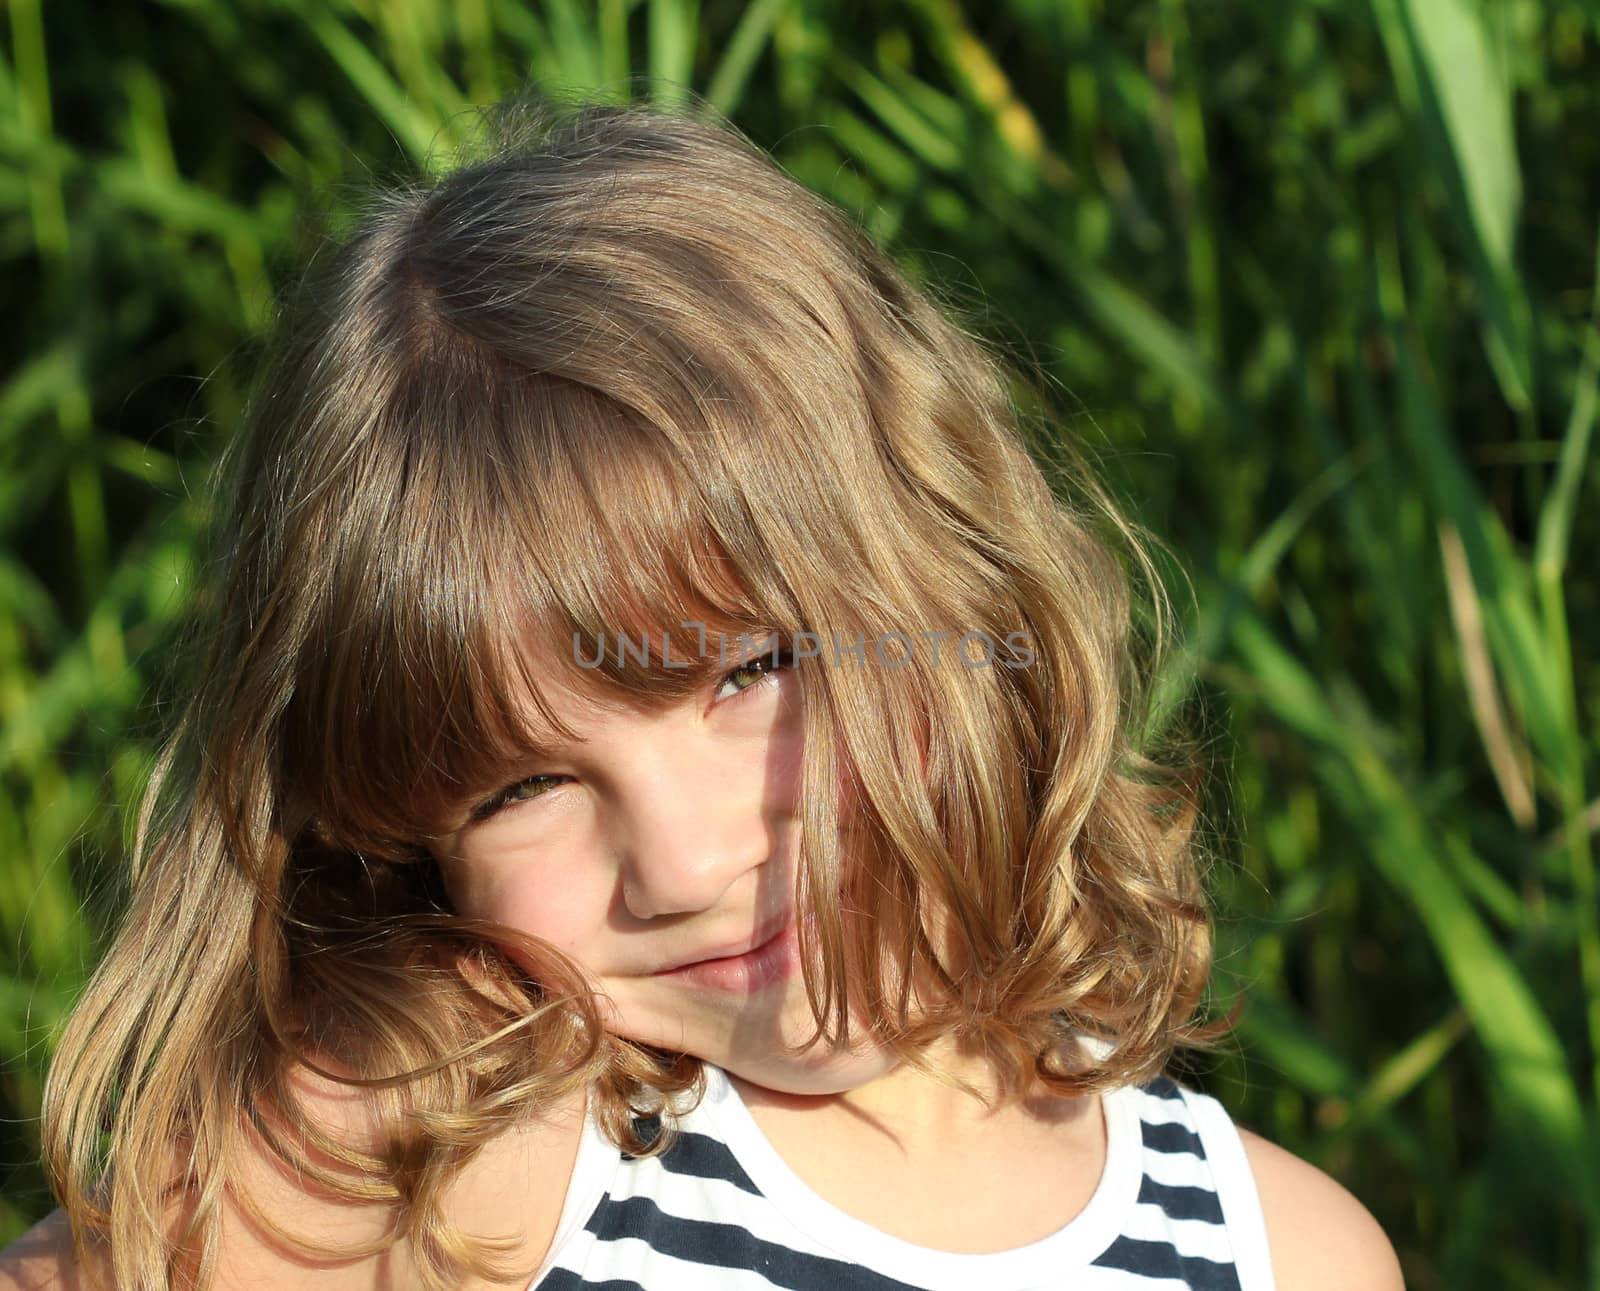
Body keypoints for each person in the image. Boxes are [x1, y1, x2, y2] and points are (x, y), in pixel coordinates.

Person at [0, 89, 1403, 1291]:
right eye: (524, 786)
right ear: (398, 841)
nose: (680, 862)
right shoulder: (452, 1152)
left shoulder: (1282, 1251)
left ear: (952, 577)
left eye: (751, 670)